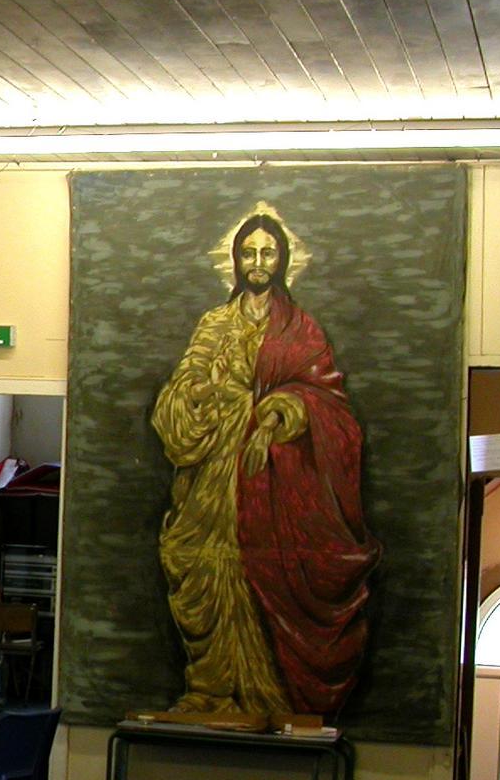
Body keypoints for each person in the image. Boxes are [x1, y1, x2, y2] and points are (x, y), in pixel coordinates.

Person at [149, 206, 379, 730]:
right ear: (236, 259)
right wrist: (198, 395)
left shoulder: (300, 328)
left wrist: (280, 414)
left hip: (269, 480)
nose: (258, 261)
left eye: (267, 252)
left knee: (253, 567)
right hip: (210, 473)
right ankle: (210, 689)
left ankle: (263, 692)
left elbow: (328, 400)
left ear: (282, 259)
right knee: (206, 565)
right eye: (249, 252)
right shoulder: (215, 323)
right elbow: (182, 391)